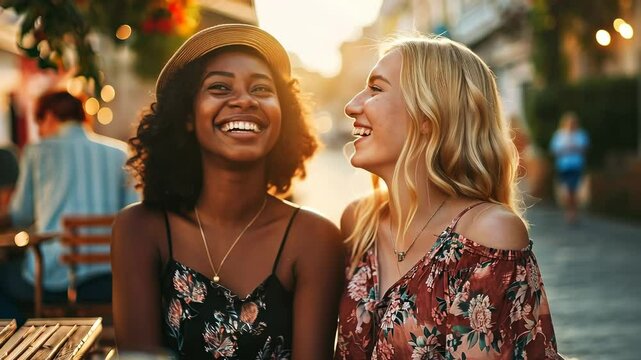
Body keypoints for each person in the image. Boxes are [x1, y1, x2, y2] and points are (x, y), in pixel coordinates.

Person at [111, 24, 344, 359]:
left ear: (284, 116)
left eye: (262, 89)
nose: (244, 100)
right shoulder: (139, 230)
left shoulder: (314, 238)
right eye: (219, 87)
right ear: (187, 115)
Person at [335, 35, 559, 359]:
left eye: (376, 89)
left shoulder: (487, 236)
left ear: (428, 116)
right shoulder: (359, 222)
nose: (351, 105)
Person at [0, 90, 138, 318]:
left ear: (51, 116)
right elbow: (133, 215)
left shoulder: (38, 152)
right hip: (110, 278)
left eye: (39, 122)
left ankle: (26, 342)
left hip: (55, 279)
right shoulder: (120, 153)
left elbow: (20, 215)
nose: (40, 131)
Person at [549, 112, 589, 224]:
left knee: (573, 189)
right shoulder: (559, 135)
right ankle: (570, 210)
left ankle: (572, 212)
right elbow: (555, 150)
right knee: (567, 190)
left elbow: (583, 149)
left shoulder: (580, 135)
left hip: (576, 166)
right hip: (563, 167)